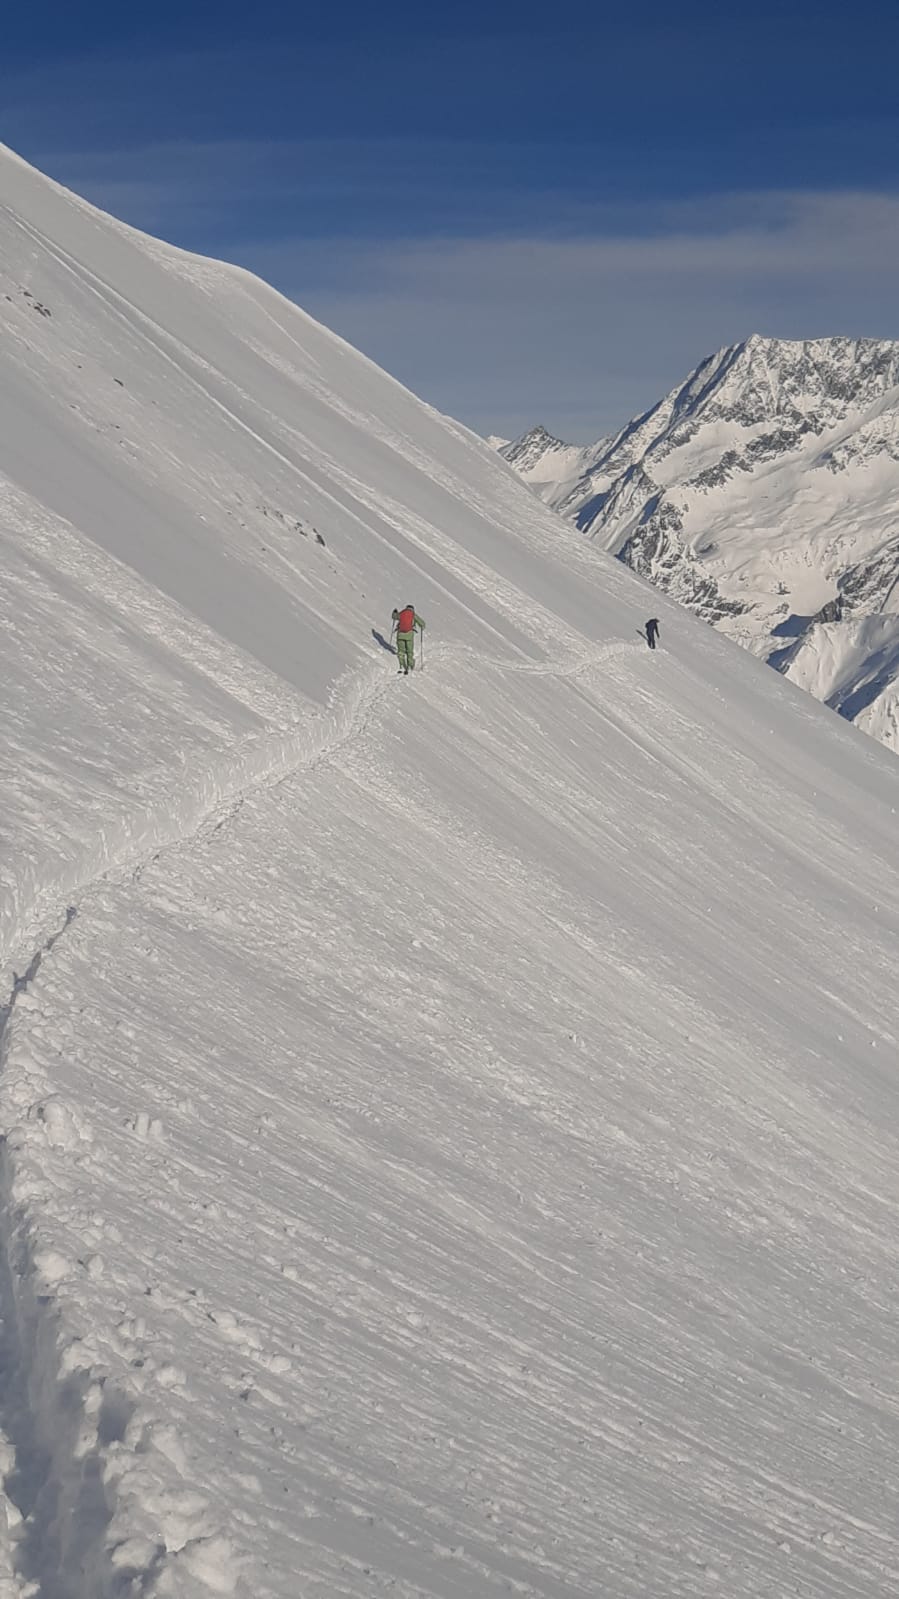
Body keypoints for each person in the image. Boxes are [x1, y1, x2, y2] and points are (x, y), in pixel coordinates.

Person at [391, 604, 425, 673]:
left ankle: (401, 666)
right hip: (409, 635)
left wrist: (394, 612)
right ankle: (410, 666)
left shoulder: (402, 613)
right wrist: (422, 627)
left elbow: (394, 617)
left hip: (400, 634)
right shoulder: (413, 615)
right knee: (409, 651)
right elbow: (422, 624)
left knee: (401, 651)